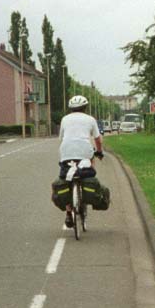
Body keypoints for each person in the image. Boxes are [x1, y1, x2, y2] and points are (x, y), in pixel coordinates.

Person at [58, 94, 104, 228]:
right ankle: (85, 189)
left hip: (66, 151)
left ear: (71, 108)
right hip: (85, 151)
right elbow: (97, 139)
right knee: (90, 165)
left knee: (66, 179)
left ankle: (68, 213)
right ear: (85, 107)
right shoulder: (90, 119)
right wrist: (99, 152)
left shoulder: (64, 119)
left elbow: (61, 138)